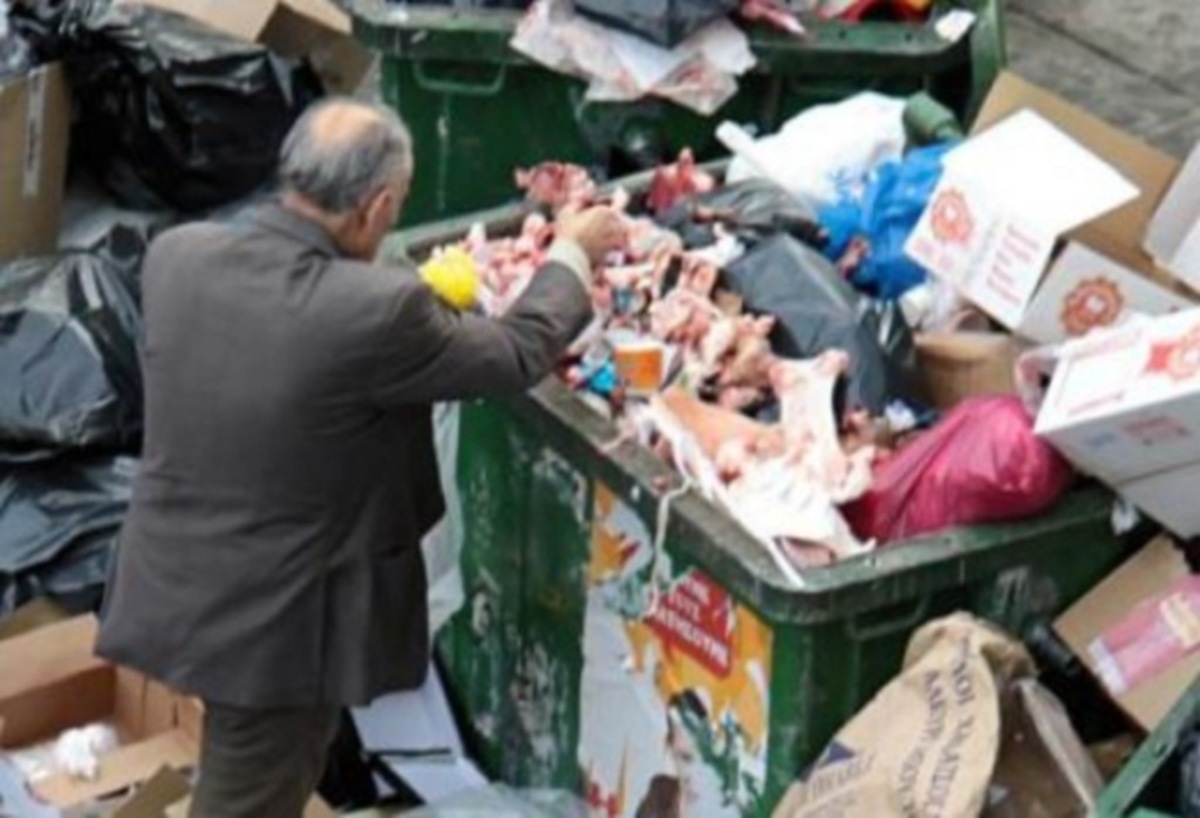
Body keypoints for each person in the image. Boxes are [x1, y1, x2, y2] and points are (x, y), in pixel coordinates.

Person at [94, 98, 625, 818]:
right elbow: (513, 353)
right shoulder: (376, 311)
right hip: (271, 632)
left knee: (249, 761)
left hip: (177, 582)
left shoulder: (177, 256)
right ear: (376, 207)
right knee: (248, 794)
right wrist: (571, 252)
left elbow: (284, 361)